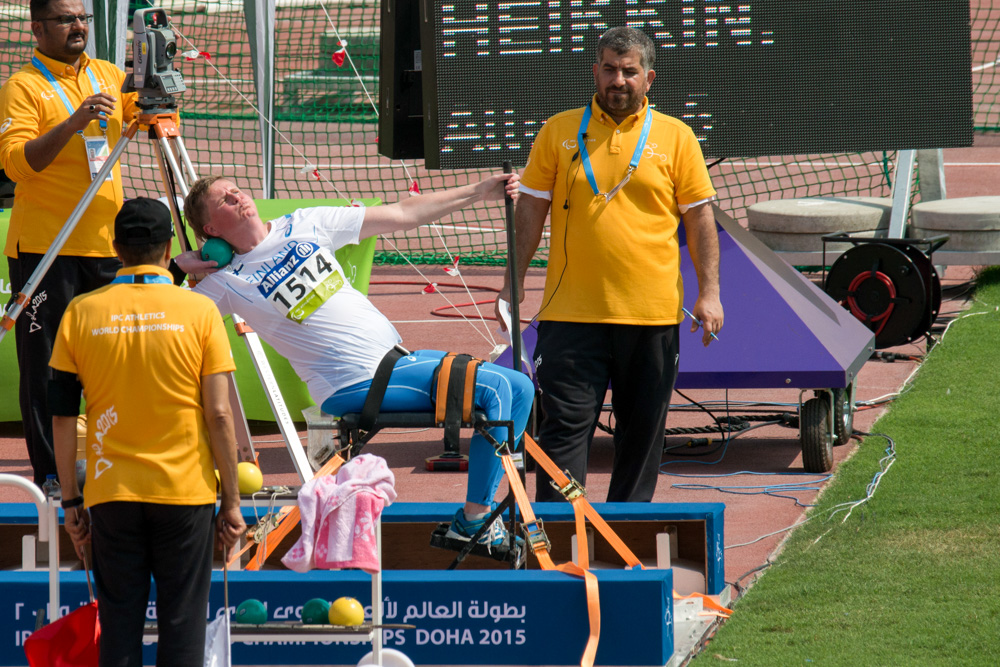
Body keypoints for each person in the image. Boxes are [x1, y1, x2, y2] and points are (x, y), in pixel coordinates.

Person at [178, 174, 534, 548]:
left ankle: (483, 512)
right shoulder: (225, 281)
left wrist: (479, 190)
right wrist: (177, 266)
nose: (237, 197)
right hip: (355, 385)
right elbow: (159, 316)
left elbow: (401, 213)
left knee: (521, 387)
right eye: (224, 200)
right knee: (494, 389)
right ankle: (476, 520)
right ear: (210, 228)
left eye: (237, 189)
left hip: (399, 361)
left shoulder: (303, 222)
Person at [497, 27, 724, 503]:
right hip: (571, 315)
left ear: (649, 78)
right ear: (594, 72)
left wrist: (710, 293)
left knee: (641, 438)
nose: (617, 80)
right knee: (562, 436)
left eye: (629, 71)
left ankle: (626, 544)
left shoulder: (677, 137)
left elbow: (700, 218)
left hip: (652, 315)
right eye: (608, 69)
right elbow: (531, 211)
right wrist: (511, 283)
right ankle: (560, 546)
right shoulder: (559, 132)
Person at [49, 198, 246, 666]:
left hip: (111, 493)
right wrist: (233, 500)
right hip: (184, 493)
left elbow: (59, 416)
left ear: (116, 247)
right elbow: (218, 415)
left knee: (118, 628)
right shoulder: (198, 312)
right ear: (170, 248)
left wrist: (72, 502)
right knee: (183, 626)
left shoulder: (80, 312)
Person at [0, 0, 138, 485]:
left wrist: (158, 93)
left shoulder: (106, 72)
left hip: (107, 246)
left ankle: (113, 464)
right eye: (65, 19)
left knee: (114, 361)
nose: (78, 26)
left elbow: (148, 118)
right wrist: (75, 121)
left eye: (82, 17)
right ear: (37, 28)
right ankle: (51, 478)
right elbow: (17, 164)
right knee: (46, 370)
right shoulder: (23, 86)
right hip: (47, 249)